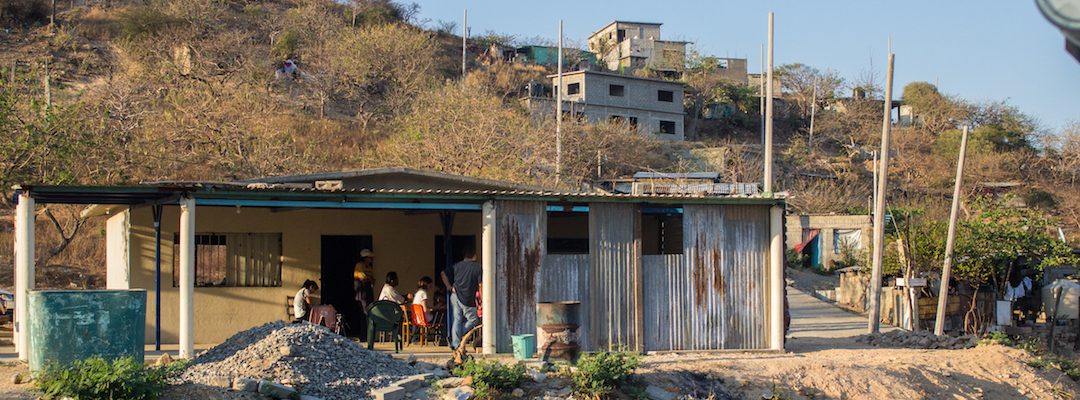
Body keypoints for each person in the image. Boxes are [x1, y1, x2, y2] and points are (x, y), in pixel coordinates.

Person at [441, 246, 482, 350]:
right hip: (467, 297)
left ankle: (455, 342)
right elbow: (481, 285)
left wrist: (449, 287)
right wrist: (481, 299)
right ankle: (456, 337)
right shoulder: (478, 267)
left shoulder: (456, 265)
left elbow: (443, 273)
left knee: (457, 319)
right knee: (473, 319)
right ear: (475, 255)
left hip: (455, 295)